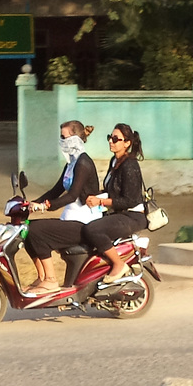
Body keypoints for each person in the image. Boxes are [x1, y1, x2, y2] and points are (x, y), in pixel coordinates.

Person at [23, 120, 100, 294]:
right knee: (25, 230)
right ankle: (41, 277)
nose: (61, 141)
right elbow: (56, 190)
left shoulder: (83, 163)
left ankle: (51, 280)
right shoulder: (71, 164)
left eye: (64, 137)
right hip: (70, 219)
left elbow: (72, 195)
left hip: (84, 223)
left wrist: (44, 207)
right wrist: (30, 204)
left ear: (74, 139)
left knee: (36, 230)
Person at [82, 123, 148, 284]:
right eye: (110, 138)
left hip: (132, 216)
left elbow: (130, 200)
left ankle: (119, 264)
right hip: (119, 213)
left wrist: (101, 201)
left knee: (93, 230)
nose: (111, 141)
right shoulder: (115, 161)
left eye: (116, 139)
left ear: (127, 143)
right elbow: (112, 191)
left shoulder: (130, 165)